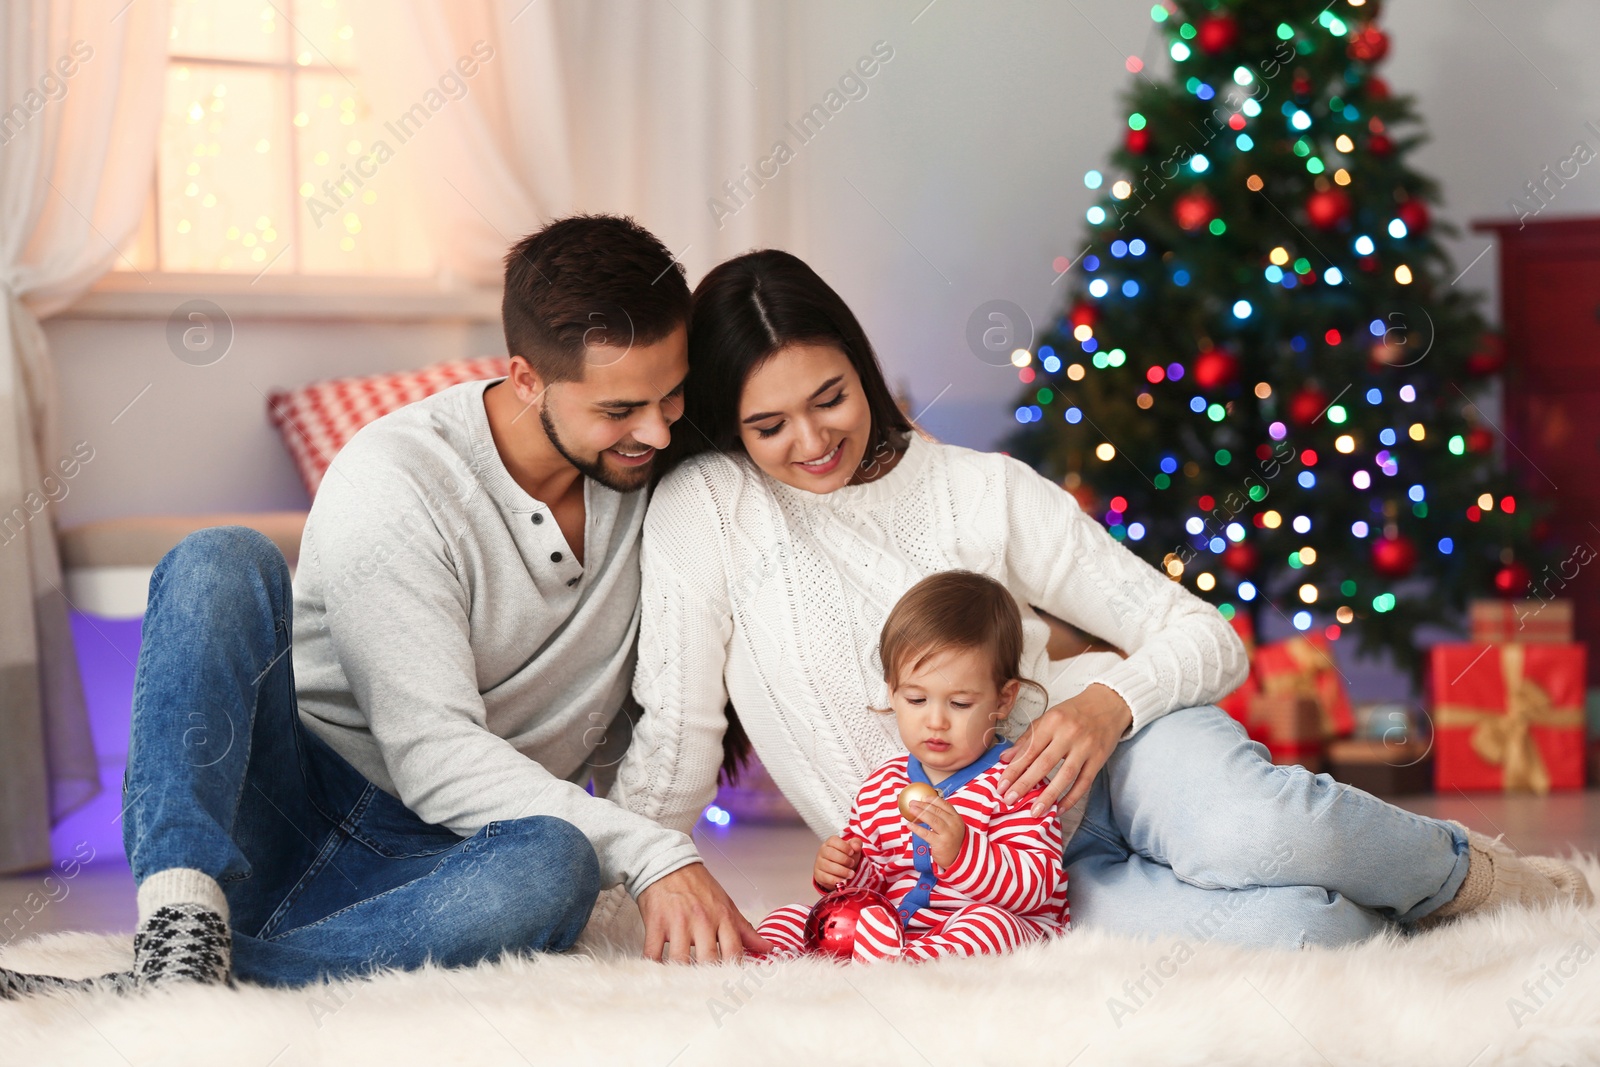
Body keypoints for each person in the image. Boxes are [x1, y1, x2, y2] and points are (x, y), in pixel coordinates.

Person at [601, 248, 1592, 954]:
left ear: (860, 369)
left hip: (1121, 757)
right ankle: (1415, 917)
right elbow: (681, 728)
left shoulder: (977, 488)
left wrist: (1102, 703)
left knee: (1266, 834)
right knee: (1299, 929)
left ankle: (1480, 877)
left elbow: (1204, 634)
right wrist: (628, 881)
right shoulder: (710, 507)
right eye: (768, 423)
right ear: (728, 427)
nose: (811, 440)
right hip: (990, 873)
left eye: (830, 397)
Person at [0, 215, 761, 1000]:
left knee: (558, 862)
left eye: (671, 395)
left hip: (447, 866)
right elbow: (432, 758)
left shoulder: (668, 482)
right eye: (619, 408)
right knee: (219, 559)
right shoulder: (397, 478)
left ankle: (195, 981)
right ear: (527, 378)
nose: (657, 428)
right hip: (289, 811)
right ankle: (181, 923)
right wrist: (653, 852)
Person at [755, 570, 1069, 962]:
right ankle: (769, 961)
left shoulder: (1016, 782)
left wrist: (964, 852)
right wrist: (846, 870)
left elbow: (1037, 886)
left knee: (987, 925)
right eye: (917, 700)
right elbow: (876, 882)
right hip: (896, 928)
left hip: (993, 923)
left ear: (1003, 700)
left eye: (960, 704)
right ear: (893, 691)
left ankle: (908, 964)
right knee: (792, 916)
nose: (935, 721)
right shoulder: (880, 787)